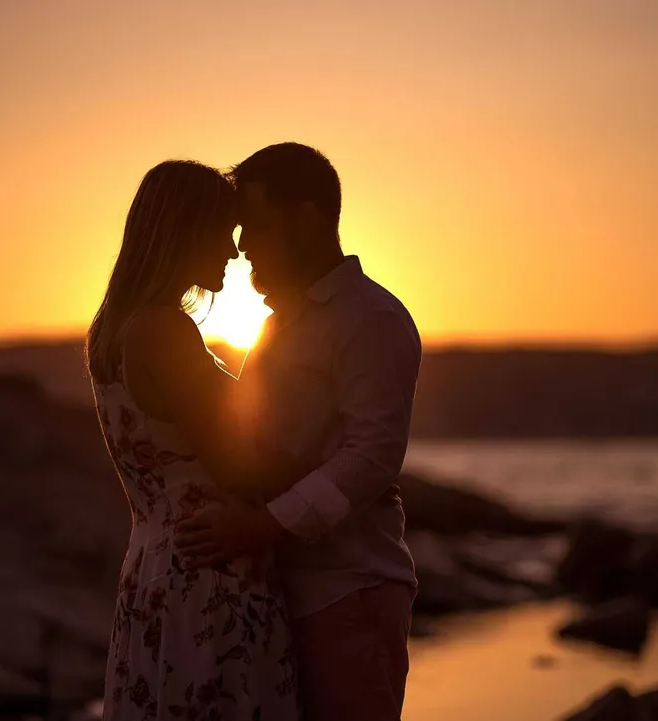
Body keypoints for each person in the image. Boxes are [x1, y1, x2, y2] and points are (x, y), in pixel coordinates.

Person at [175, 143, 423, 721]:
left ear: (307, 218)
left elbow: (371, 458)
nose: (241, 248)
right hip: (283, 590)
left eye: (255, 226)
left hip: (348, 591)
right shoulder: (276, 325)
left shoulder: (372, 320)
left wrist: (259, 527)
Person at [86, 160, 309, 721]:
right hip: (208, 576)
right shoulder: (163, 332)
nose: (234, 252)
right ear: (183, 231)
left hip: (153, 567)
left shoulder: (113, 328)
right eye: (222, 233)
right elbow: (239, 465)